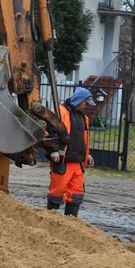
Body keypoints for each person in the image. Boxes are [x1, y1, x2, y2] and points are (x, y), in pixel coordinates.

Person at [46, 86, 96, 217]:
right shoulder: (59, 112)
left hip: (78, 163)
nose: (86, 106)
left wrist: (87, 154)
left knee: (76, 195)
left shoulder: (84, 118)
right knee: (56, 193)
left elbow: (82, 138)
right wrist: (54, 150)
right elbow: (49, 131)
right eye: (86, 103)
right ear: (80, 100)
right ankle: (50, 220)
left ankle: (71, 224)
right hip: (63, 161)